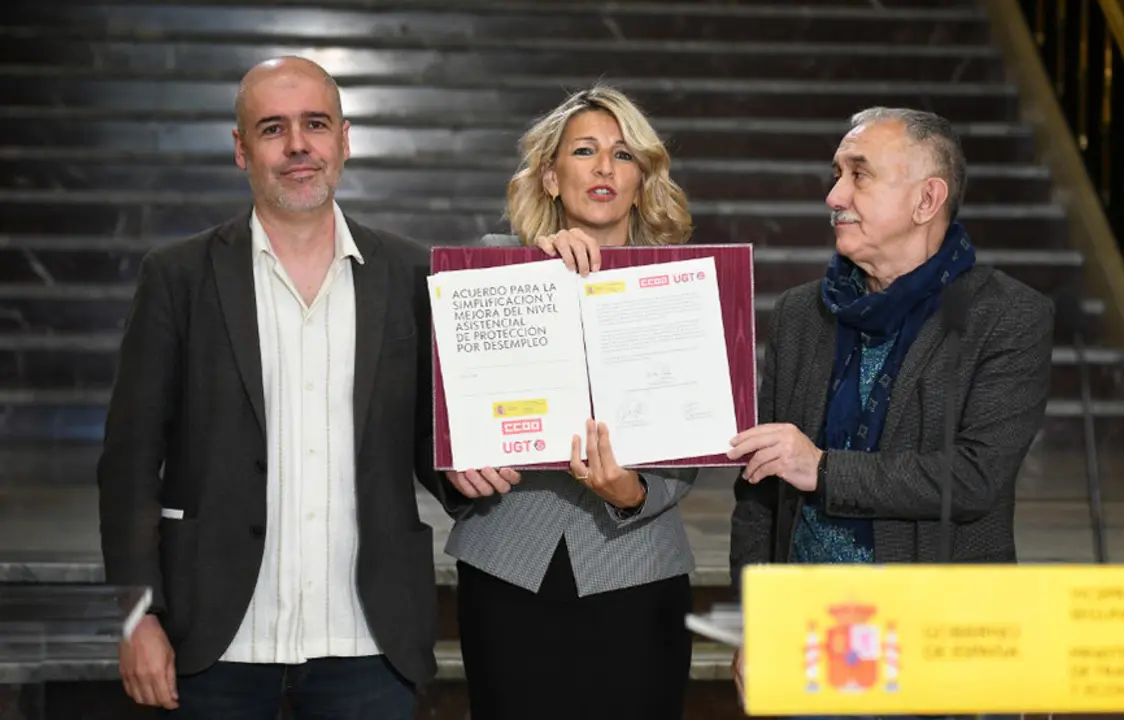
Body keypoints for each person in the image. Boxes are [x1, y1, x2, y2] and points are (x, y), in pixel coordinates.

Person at [98, 57, 453, 719]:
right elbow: (128, 465)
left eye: (315, 124)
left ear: (344, 140)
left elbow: (440, 451)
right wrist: (135, 616)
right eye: (272, 128)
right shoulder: (176, 277)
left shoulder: (411, 274)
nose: (297, 145)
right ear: (241, 149)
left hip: (369, 645)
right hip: (216, 645)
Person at [726, 107, 1054, 716]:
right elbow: (759, 495)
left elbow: (974, 478)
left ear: (927, 199)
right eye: (836, 174)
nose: (834, 195)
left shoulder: (1004, 317)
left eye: (859, 175)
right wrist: (754, 621)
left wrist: (823, 469)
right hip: (809, 641)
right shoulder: (803, 314)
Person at [441, 84, 698, 720]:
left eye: (624, 154)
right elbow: (439, 409)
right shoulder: (491, 267)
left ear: (642, 178)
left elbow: (694, 436)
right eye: (585, 151)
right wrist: (537, 268)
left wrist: (636, 492)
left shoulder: (679, 284)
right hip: (509, 568)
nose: (606, 167)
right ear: (552, 178)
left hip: (638, 568)